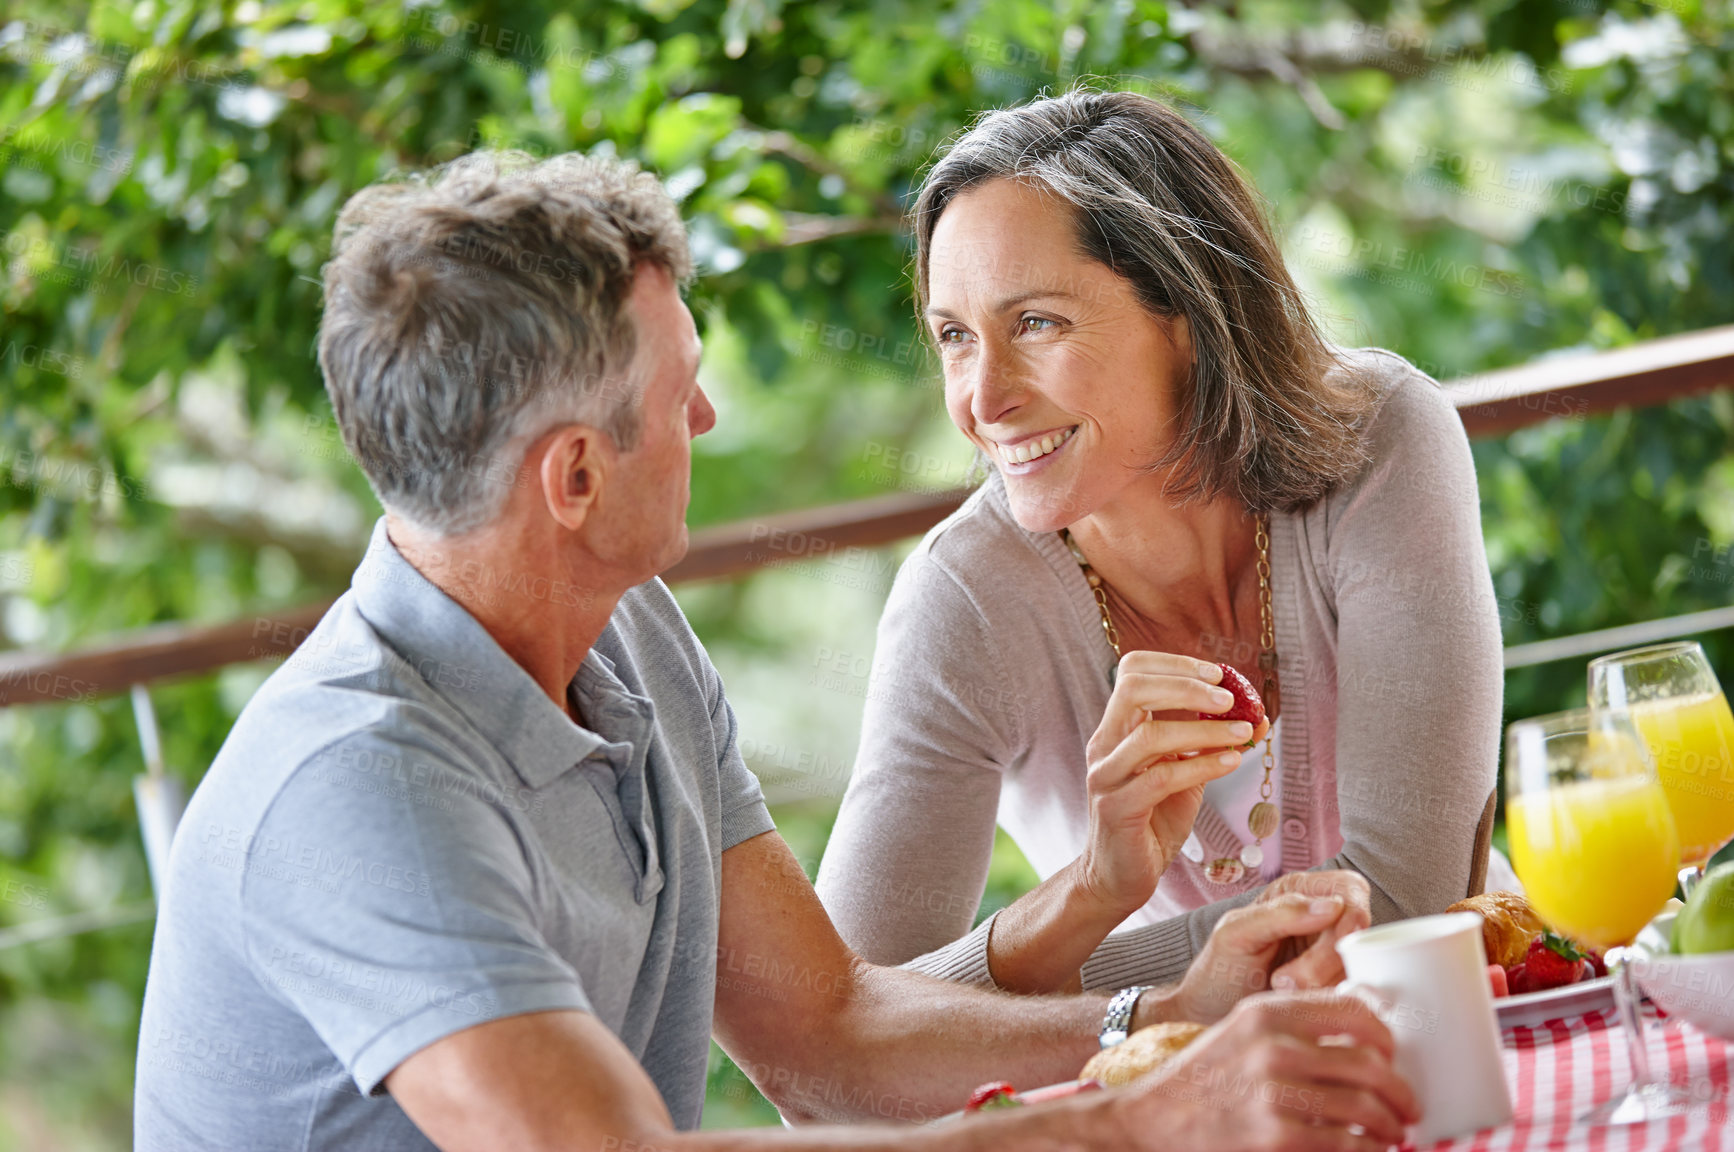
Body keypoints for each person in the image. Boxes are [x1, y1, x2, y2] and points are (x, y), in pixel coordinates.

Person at [132, 148, 1417, 1151]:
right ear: (574, 474)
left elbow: (828, 1032)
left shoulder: (622, 623)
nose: (705, 411)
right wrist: (1135, 1120)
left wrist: (1165, 1022)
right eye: (677, 386)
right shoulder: (361, 787)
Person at [815, 88, 1504, 996]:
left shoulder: (1377, 439)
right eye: (954, 337)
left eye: (1036, 324)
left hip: (1469, 1020)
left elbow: (1402, 904)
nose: (983, 401)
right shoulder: (966, 600)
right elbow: (841, 1043)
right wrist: (1092, 893)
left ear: (1187, 312)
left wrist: (1022, 993)